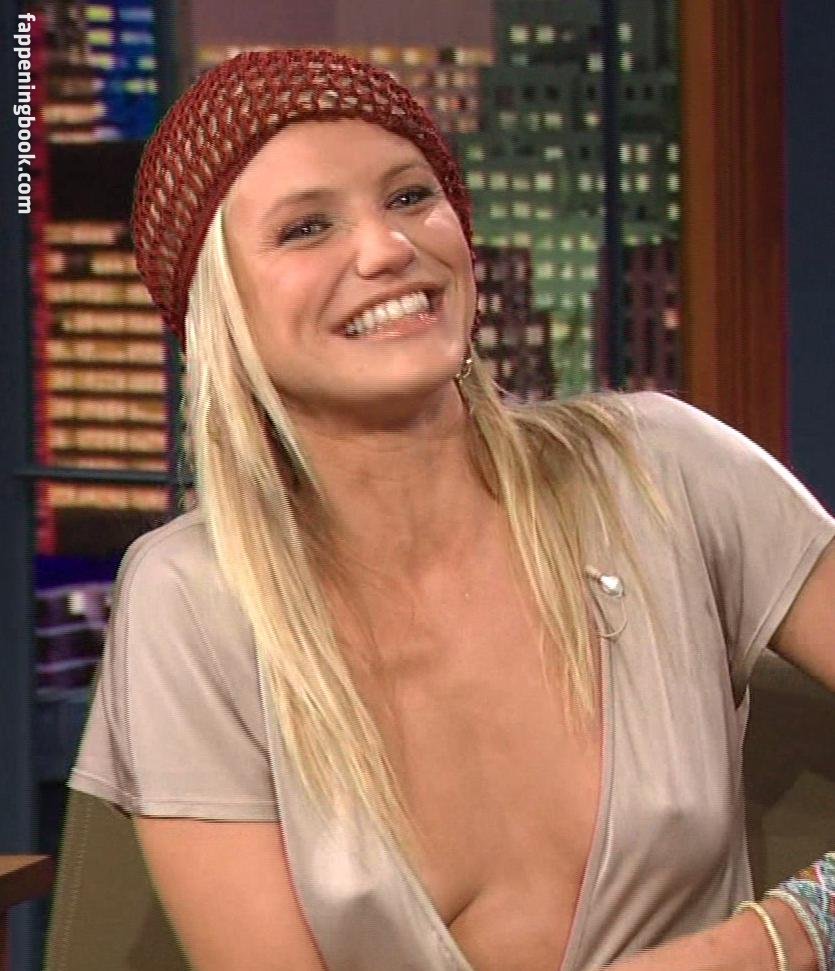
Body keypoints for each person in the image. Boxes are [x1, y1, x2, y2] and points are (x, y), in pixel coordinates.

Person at [67, 48, 835, 971]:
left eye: (408, 196)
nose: (388, 248)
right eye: (307, 227)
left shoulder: (662, 471)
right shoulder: (191, 598)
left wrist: (781, 936)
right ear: (219, 312)